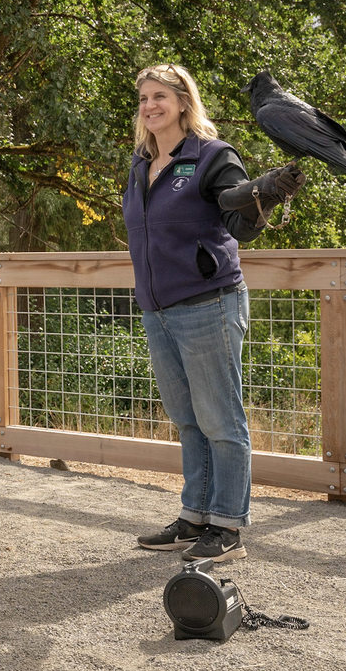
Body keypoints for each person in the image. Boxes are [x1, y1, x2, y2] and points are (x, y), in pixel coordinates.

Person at [124, 64, 267, 563]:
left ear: (184, 101)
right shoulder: (142, 163)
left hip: (209, 304)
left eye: (159, 96)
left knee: (221, 420)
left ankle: (227, 527)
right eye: (143, 98)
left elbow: (241, 224)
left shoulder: (211, 156)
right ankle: (195, 517)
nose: (149, 106)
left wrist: (257, 200)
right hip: (158, 310)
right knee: (188, 419)